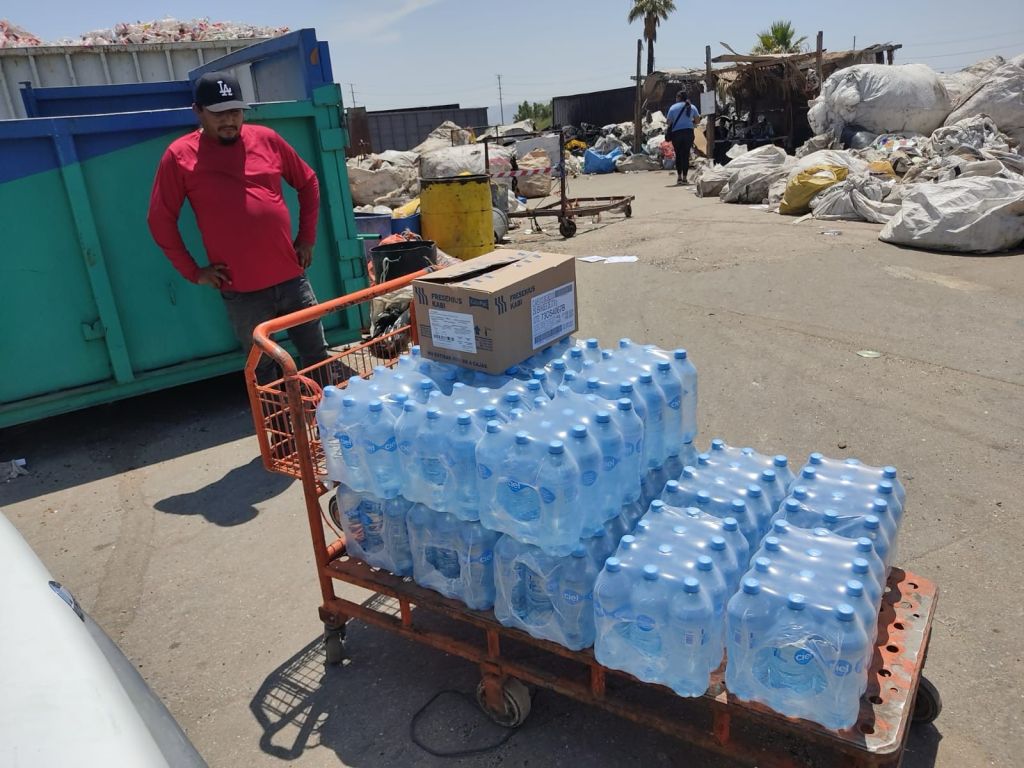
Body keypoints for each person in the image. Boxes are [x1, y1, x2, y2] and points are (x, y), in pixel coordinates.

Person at [147, 71, 330, 385]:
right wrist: (194, 271)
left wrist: (307, 238)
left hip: (292, 278)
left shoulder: (267, 139)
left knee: (317, 356)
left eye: (235, 111)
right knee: (264, 370)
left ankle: (330, 421)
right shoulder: (180, 156)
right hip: (243, 292)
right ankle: (282, 428)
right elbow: (159, 219)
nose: (229, 120)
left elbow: (308, 182)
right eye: (218, 113)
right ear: (198, 112)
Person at [665, 91, 700, 185]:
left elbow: (668, 122)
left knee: (678, 155)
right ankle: (685, 178)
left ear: (678, 98)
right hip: (688, 133)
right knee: (686, 155)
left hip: (676, 134)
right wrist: (690, 123)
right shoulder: (692, 107)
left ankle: (679, 177)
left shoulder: (673, 107)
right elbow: (697, 121)